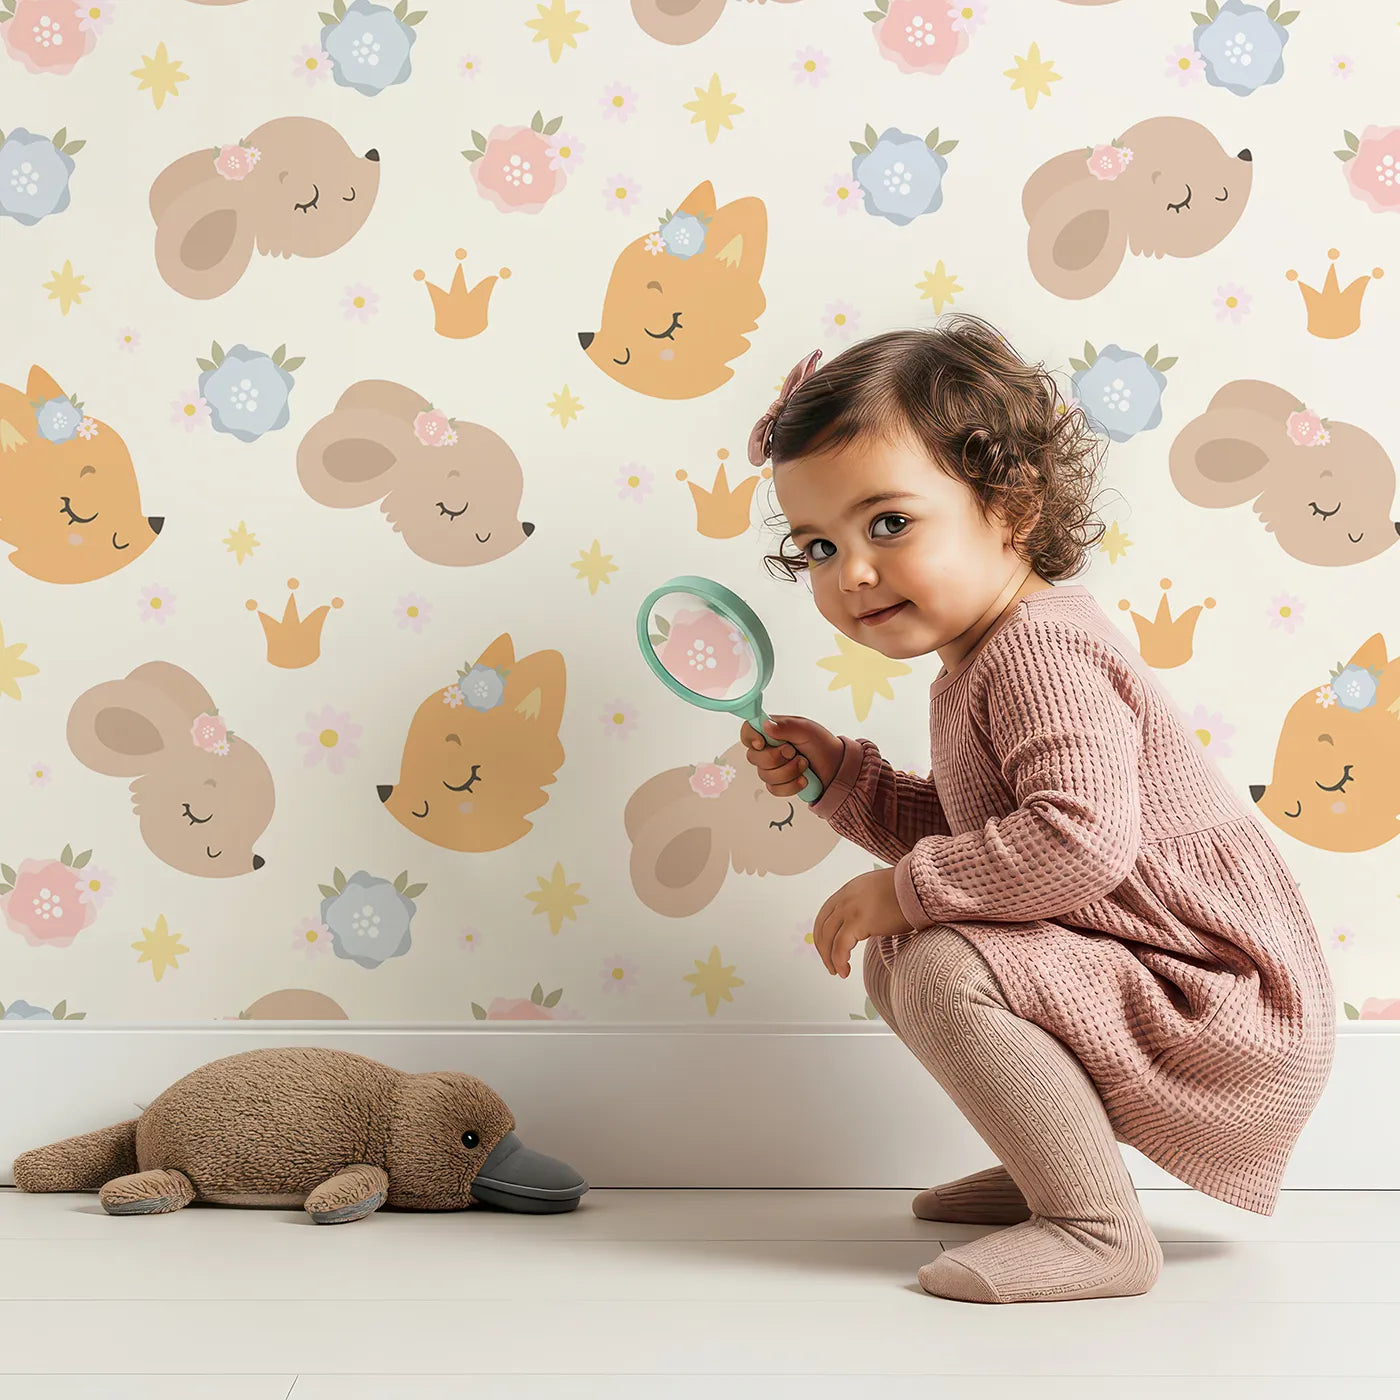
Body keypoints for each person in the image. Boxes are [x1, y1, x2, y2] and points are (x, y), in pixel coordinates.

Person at [739, 317, 1336, 1305]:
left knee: (931, 952)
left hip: (1217, 998)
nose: (849, 570)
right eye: (816, 544)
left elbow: (1072, 843)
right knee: (918, 940)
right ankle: (1049, 1167)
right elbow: (989, 842)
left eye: (887, 522)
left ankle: (1093, 1225)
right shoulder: (990, 655)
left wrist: (903, 886)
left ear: (1009, 504)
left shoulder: (1036, 653)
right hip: (1157, 967)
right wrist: (844, 778)